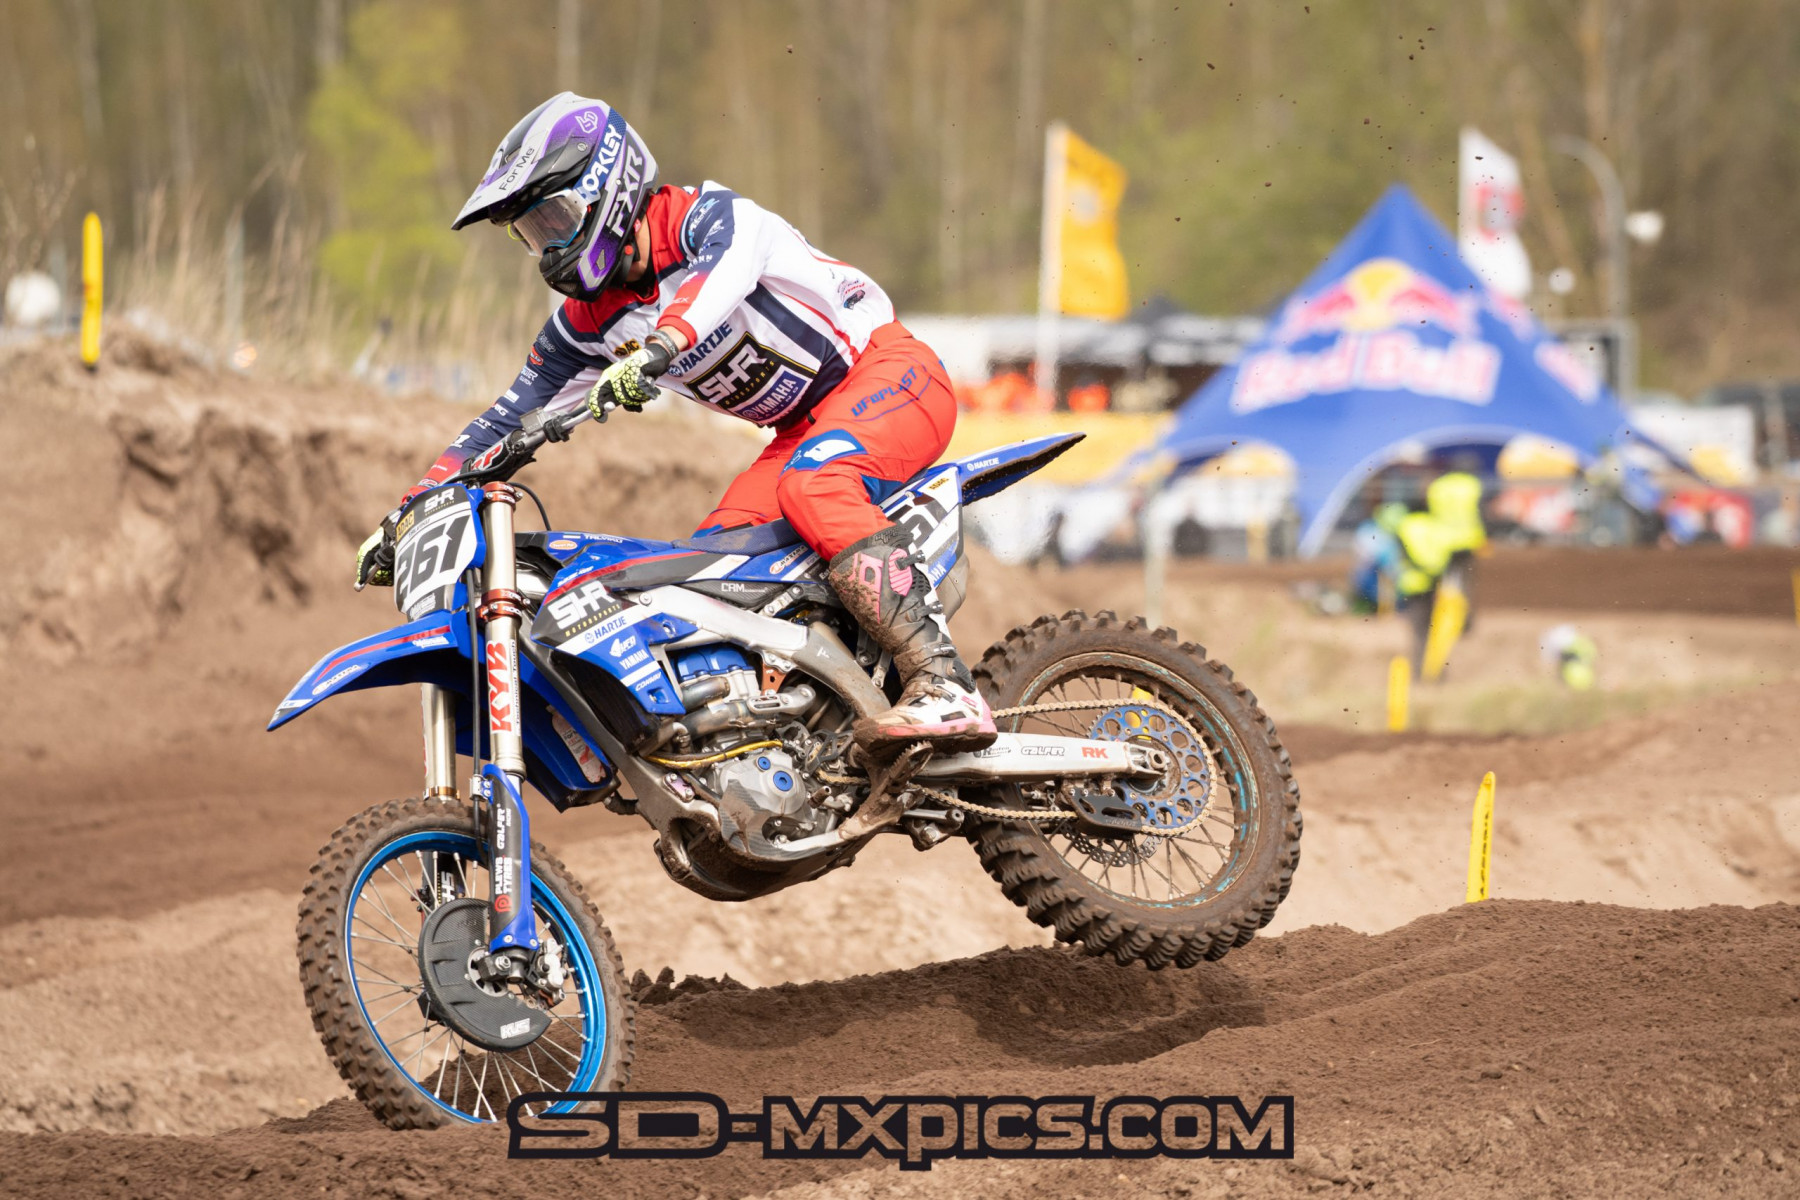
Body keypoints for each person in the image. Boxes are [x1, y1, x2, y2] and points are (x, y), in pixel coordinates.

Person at [353, 93, 994, 761]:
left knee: (815, 485)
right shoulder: (588, 323)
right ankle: (797, 738)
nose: (548, 248)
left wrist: (662, 345)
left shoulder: (713, 219)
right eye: (533, 234)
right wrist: (410, 511)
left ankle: (943, 682)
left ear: (609, 187)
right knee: (714, 569)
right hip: (798, 435)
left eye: (555, 219)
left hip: (890, 373)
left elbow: (719, 277)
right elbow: (507, 417)